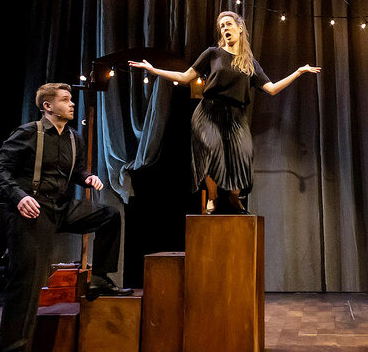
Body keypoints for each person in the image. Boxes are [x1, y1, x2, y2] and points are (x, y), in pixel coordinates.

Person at [0, 83, 128, 352]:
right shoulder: (28, 133)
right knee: (27, 284)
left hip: (60, 208)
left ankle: (99, 279)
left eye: (71, 99)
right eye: (65, 100)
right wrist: (18, 196)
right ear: (47, 106)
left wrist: (87, 177)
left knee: (109, 215)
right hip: (31, 211)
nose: (72, 104)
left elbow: (75, 171)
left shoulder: (74, 138)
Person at [129, 11, 320, 213]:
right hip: (208, 112)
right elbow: (185, 77)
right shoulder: (213, 54)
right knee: (210, 150)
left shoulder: (250, 64)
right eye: (222, 26)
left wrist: (298, 72)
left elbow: (271, 89)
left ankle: (234, 196)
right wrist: (154, 70)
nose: (225, 28)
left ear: (240, 28)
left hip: (236, 115)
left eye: (228, 24)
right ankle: (212, 196)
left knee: (243, 155)